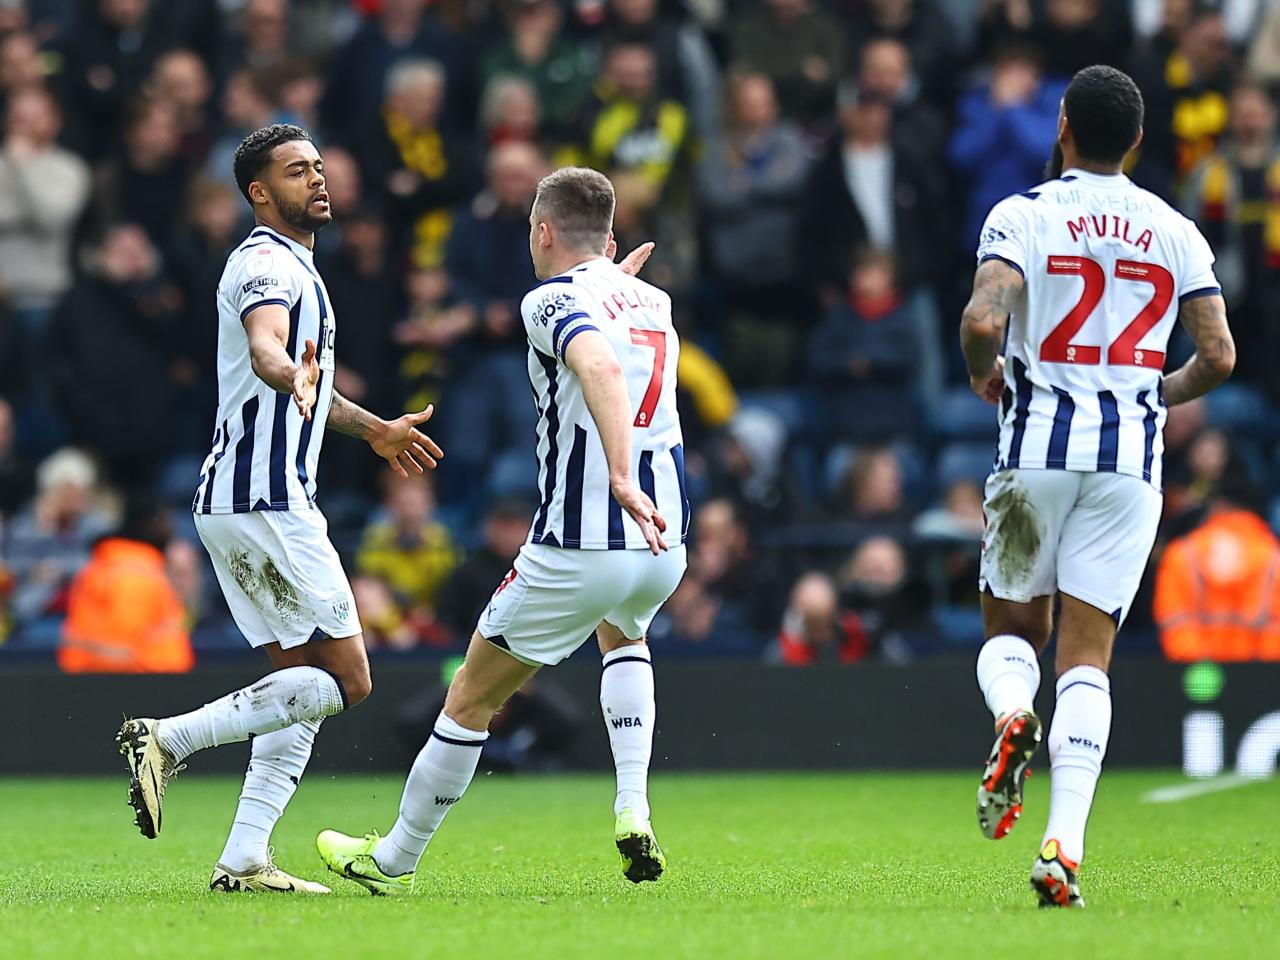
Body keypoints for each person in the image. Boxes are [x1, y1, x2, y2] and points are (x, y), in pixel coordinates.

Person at [315, 167, 687, 894]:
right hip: (662, 542)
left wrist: (615, 474)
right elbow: (619, 331)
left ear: (542, 232)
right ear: (610, 240)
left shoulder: (548, 299)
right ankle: (633, 807)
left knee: (471, 699)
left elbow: (601, 362)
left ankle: (393, 859)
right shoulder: (655, 299)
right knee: (626, 636)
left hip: (580, 540)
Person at [115, 123, 445, 895]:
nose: (319, 180)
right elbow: (269, 349)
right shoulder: (265, 263)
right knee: (351, 680)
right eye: (299, 172)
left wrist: (374, 430)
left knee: (299, 688)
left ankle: (243, 859)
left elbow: (302, 380)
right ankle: (167, 739)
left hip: (238, 498)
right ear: (260, 192)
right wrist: (282, 371)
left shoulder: (294, 265)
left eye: (320, 167)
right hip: (265, 500)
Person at [960, 65, 1234, 907]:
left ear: (1063, 127)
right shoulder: (1174, 228)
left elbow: (982, 320)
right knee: (1089, 657)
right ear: (1140, 141)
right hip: (1130, 466)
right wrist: (1157, 392)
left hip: (1034, 451)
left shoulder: (1025, 214)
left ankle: (1013, 713)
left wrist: (984, 376)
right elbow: (1219, 356)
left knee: (1012, 629)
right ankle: (1063, 848)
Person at [1155, 458, 1280, 662]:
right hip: (1259, 681)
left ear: (1216, 505)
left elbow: (1175, 621)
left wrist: (1203, 667)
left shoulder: (1182, 553)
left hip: (1199, 681)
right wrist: (1259, 672)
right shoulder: (1273, 557)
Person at [58, 496, 193, 674]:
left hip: (109, 682)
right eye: (165, 519)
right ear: (148, 524)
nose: (171, 527)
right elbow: (119, 652)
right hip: (137, 685)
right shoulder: (134, 572)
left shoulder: (112, 562)